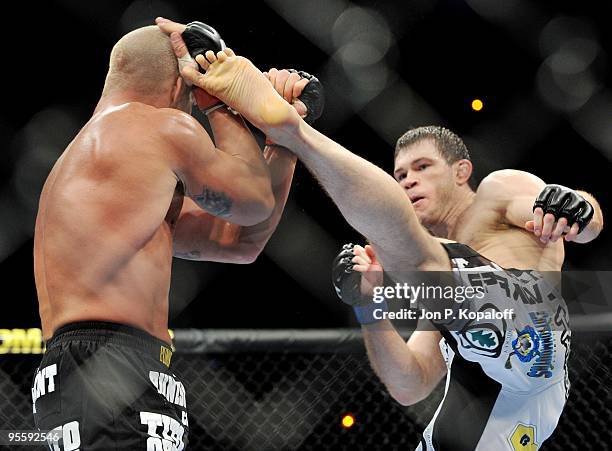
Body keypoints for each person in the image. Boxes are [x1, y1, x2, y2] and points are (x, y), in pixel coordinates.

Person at [163, 21, 604, 450]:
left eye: (423, 168)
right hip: (513, 392)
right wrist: (370, 308)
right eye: (400, 175)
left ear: (462, 171)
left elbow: (580, 224)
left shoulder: (497, 192)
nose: (407, 181)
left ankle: (294, 132)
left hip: (536, 326)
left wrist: (578, 204)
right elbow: (410, 386)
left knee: (414, 253)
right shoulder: (437, 285)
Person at [31, 23, 312, 449]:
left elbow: (240, 240)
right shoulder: (157, 128)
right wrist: (219, 100)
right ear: (185, 79)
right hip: (111, 366)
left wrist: (283, 137)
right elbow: (253, 199)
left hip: (90, 370)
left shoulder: (102, 165)